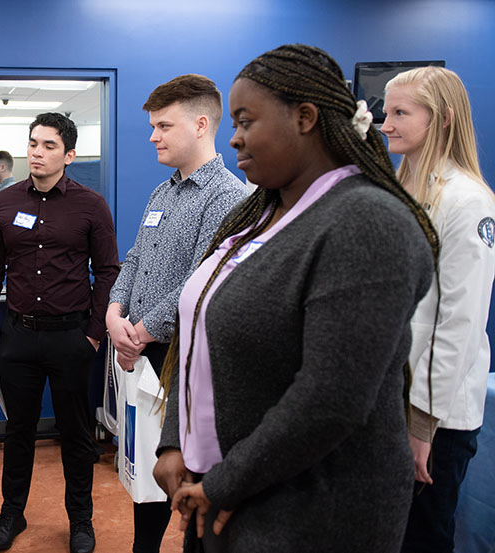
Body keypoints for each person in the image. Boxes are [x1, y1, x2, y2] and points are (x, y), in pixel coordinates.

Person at [153, 44, 438, 553]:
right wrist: (176, 439)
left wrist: (223, 483)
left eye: (246, 120)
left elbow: (329, 400)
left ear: (305, 118)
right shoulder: (259, 216)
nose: (234, 136)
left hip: (311, 509)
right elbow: (199, 325)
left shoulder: (366, 222)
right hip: (226, 489)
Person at [105, 74, 248, 553]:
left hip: (180, 357)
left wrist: (141, 331)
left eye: (164, 125)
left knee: (184, 474)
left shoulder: (228, 197)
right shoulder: (161, 194)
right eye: (153, 126)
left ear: (202, 124)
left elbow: (199, 282)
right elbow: (137, 259)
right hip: (138, 349)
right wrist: (113, 310)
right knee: (144, 473)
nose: (153, 136)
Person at [0, 113, 119, 553]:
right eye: (33, 143)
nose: (37, 152)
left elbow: (109, 271)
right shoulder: (2, 203)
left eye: (49, 145)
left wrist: (95, 333)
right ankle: (11, 514)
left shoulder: (90, 205)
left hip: (72, 338)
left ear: (68, 155)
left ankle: (81, 521)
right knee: (18, 431)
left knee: (76, 435)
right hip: (18, 336)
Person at [382, 67, 495, 553]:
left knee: (422, 539)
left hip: (433, 421)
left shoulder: (467, 201)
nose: (385, 123)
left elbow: (460, 321)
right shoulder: (405, 190)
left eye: (400, 113)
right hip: (390, 404)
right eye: (386, 111)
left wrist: (422, 422)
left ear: (443, 120)